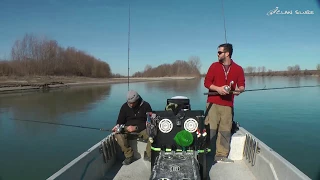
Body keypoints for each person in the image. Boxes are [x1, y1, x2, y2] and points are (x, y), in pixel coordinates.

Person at [204, 43, 245, 163]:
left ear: (227, 53)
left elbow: (242, 85)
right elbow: (207, 83)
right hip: (213, 103)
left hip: (228, 105)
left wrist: (239, 90)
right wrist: (218, 89)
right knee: (210, 129)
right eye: (218, 52)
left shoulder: (238, 69)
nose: (217, 54)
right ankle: (206, 152)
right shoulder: (214, 66)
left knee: (225, 130)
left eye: (219, 52)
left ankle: (221, 155)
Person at [112, 90, 153, 165]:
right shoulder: (124, 107)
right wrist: (117, 126)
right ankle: (129, 156)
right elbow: (120, 121)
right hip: (127, 128)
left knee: (153, 134)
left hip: (142, 129)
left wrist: (136, 128)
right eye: (129, 103)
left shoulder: (146, 106)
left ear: (137, 100)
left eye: (133, 103)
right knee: (118, 134)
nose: (131, 105)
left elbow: (150, 122)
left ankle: (148, 154)